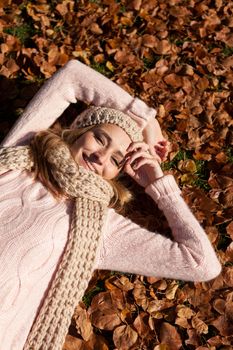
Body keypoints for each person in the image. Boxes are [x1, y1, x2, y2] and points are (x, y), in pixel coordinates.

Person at [0, 60, 221, 350]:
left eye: (117, 159)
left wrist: (159, 184)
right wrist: (147, 120)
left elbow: (201, 263)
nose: (101, 157)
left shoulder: (99, 227)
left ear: (120, 172)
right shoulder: (20, 154)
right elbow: (72, 77)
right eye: (99, 138)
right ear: (77, 132)